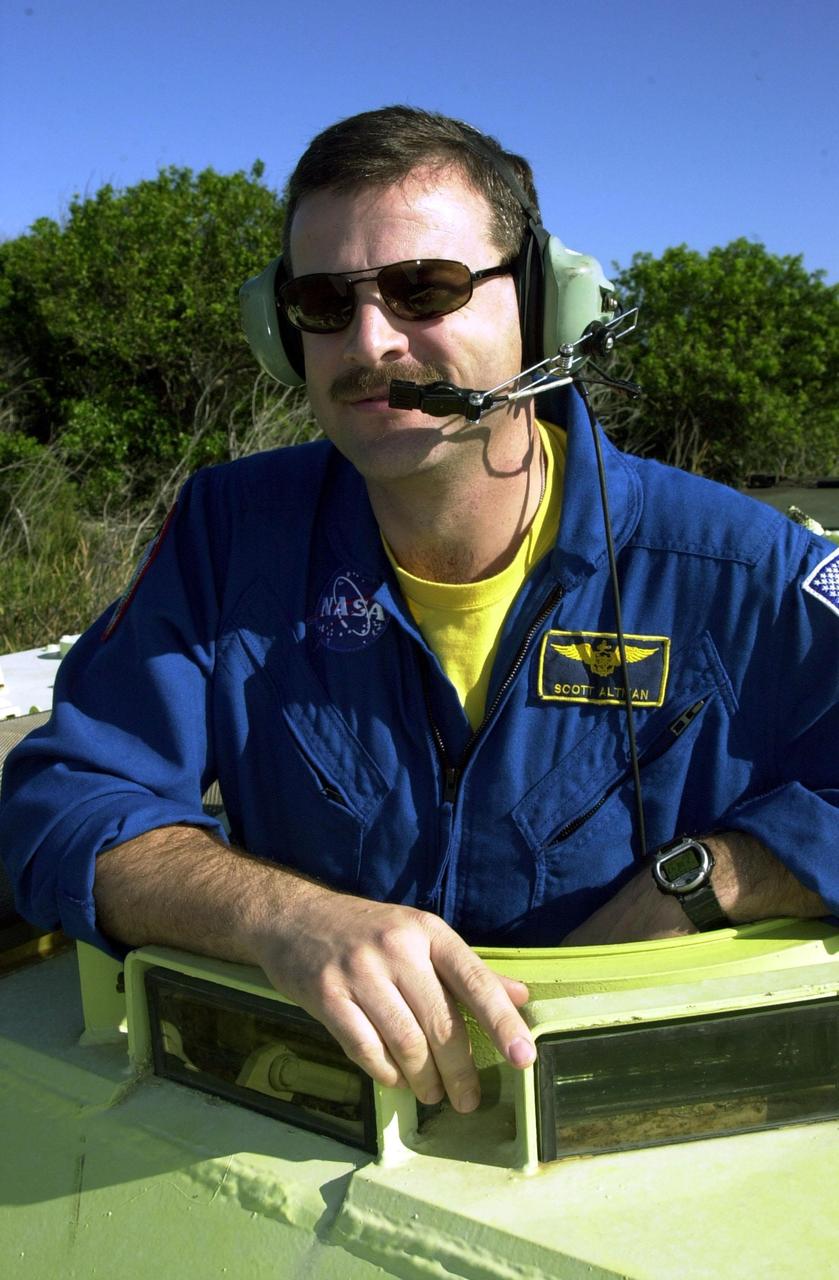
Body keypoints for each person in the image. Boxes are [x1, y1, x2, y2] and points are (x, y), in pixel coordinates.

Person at [1, 107, 837, 1117]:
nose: (370, 341)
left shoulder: (734, 566)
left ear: (540, 303)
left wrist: (709, 875)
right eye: (323, 301)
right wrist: (282, 916)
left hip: (623, 1132)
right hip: (325, 1131)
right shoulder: (231, 535)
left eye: (423, 288)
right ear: (282, 330)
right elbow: (64, 801)